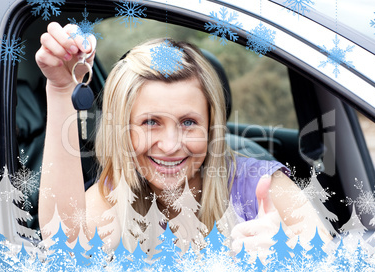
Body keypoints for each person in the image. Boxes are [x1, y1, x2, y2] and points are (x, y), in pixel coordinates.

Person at [37, 22, 331, 258]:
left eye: (189, 122)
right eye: (150, 122)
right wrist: (61, 89)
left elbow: (332, 266)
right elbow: (62, 247)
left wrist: (289, 261)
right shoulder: (113, 195)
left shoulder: (262, 186)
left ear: (212, 127)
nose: (170, 145)